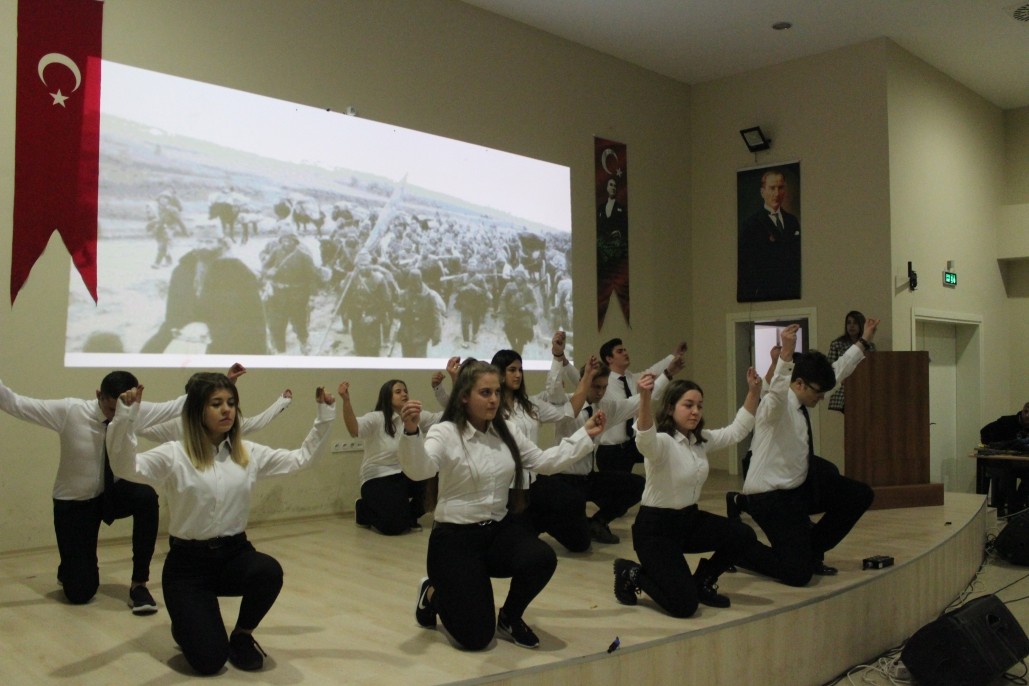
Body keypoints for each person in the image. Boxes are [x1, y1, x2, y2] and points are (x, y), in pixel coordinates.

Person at [105, 374, 338, 675]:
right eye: (216, 404)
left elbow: (302, 459)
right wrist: (125, 417)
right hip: (188, 567)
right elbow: (125, 467)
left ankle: (241, 635)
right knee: (209, 662)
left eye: (231, 403)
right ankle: (189, 624)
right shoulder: (175, 454)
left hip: (233, 556)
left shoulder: (247, 452)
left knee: (268, 571)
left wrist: (324, 416)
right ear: (197, 411)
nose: (227, 409)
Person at [398, 359, 605, 651]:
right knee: (476, 639)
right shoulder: (445, 433)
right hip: (455, 540)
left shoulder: (507, 430)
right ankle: (432, 592)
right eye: (485, 393)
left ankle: (509, 617)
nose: (494, 399)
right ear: (464, 396)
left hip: (496, 531)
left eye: (497, 392)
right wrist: (410, 432)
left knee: (541, 558)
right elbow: (420, 471)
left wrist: (585, 435)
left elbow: (544, 461)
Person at [0, 371, 186, 611]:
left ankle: (139, 584)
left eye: (122, 411)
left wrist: (227, 383)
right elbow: (15, 404)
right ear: (99, 395)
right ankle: (71, 565)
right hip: (76, 503)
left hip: (112, 493)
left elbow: (177, 406)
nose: (116, 417)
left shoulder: (131, 408)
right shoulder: (70, 411)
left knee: (146, 497)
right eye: (110, 410)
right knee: (80, 593)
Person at [735, 321, 878, 586]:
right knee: (798, 574)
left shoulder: (804, 395)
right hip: (769, 496)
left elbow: (838, 370)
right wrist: (785, 355)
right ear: (799, 383)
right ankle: (739, 550)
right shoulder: (775, 407)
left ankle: (809, 546)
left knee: (858, 494)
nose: (822, 398)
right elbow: (777, 393)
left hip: (797, 485)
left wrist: (863, 341)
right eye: (818, 392)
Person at [613, 367, 761, 615]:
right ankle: (631, 573)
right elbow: (644, 438)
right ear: (671, 408)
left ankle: (703, 581)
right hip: (655, 532)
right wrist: (645, 397)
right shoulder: (662, 443)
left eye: (699, 406)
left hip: (689, 521)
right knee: (684, 606)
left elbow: (737, 431)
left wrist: (754, 392)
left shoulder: (699, 441)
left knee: (742, 534)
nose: (695, 411)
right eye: (688, 405)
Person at [541, 353, 678, 547]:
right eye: (596, 387)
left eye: (604, 387)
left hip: (588, 478)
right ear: (585, 382)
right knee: (579, 544)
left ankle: (598, 521)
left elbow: (638, 401)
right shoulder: (567, 405)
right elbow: (553, 390)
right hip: (564, 480)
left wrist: (667, 375)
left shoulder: (605, 407)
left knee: (637, 485)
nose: (600, 392)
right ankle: (558, 522)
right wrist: (557, 357)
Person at [342, 378, 442, 535]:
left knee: (436, 479)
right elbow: (354, 429)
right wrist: (346, 401)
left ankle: (408, 516)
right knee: (392, 528)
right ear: (387, 397)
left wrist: (452, 382)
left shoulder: (415, 415)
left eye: (405, 391)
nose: (404, 394)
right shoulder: (377, 418)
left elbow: (445, 417)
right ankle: (363, 508)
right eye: (398, 391)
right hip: (378, 477)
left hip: (406, 474)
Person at [595, 337, 687, 473]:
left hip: (630, 444)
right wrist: (668, 374)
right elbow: (646, 396)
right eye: (620, 351)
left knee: (662, 454)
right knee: (625, 485)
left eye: (625, 350)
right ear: (609, 359)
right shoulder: (603, 383)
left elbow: (654, 370)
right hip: (610, 450)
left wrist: (674, 355)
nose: (625, 353)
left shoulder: (631, 378)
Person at [737, 168, 801, 302]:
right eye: (772, 188)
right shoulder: (750, 225)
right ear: (762, 192)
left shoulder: (792, 221)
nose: (777, 193)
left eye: (780, 188)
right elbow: (747, 268)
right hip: (765, 295)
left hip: (792, 293)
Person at [260, 229, 321, 355]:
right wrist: (268, 272)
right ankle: (280, 349)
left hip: (297, 295)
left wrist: (312, 298)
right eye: (284, 240)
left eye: (289, 240)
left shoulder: (304, 256)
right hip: (277, 294)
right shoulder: (276, 251)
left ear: (295, 241)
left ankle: (304, 342)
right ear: (280, 241)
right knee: (277, 323)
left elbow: (311, 278)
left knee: (299, 321)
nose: (286, 243)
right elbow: (265, 267)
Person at [980, 401, 1029, 514]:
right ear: (1021, 411)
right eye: (1025, 411)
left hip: (1023, 464)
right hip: (1002, 463)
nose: (1027, 415)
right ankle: (1011, 511)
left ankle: (1017, 507)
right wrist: (1002, 444)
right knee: (1008, 475)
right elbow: (984, 432)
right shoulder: (1007, 422)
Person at [826, 311, 876, 413]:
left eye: (855, 323)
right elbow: (830, 368)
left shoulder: (869, 346)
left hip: (863, 387)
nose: (851, 326)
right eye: (849, 323)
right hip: (843, 390)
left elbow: (873, 367)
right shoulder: (837, 344)